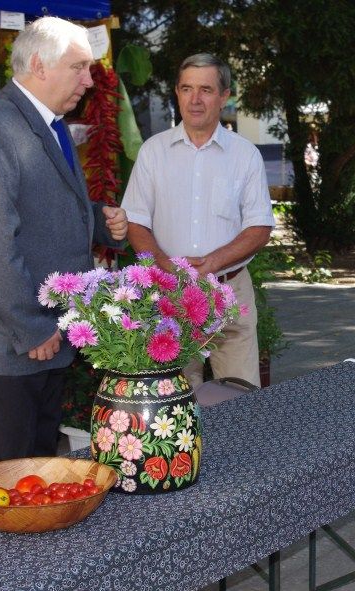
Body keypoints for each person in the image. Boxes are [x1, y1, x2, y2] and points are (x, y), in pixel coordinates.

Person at [0, 16, 128, 469]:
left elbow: (46, 207)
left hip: (42, 339)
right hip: (5, 346)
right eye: (79, 67)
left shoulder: (50, 123)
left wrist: (99, 222)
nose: (89, 80)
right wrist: (31, 325)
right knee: (4, 480)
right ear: (40, 66)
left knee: (39, 475)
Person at [122, 53, 274, 388]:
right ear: (177, 93)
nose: (195, 99)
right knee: (174, 398)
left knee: (240, 396)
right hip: (169, 292)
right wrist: (163, 264)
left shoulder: (245, 155)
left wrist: (212, 263)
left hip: (229, 290)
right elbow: (135, 221)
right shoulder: (153, 152)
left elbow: (260, 227)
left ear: (224, 96)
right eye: (187, 88)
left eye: (206, 90)